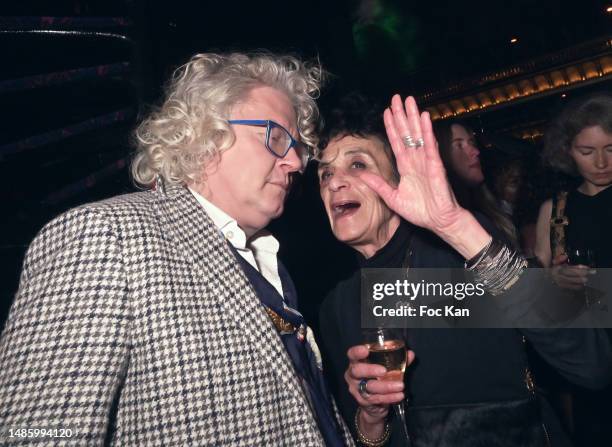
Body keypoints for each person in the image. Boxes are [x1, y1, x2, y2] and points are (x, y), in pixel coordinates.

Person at [0, 53, 354, 446]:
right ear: (206, 133)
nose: (294, 162)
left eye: (298, 149)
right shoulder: (105, 236)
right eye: (275, 137)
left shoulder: (267, 262)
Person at [317, 93, 612, 446]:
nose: (334, 182)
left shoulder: (457, 258)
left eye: (358, 164)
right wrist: (370, 417)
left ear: (400, 181)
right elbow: (360, 436)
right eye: (325, 173)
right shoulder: (337, 306)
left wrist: (456, 227)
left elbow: (591, 364)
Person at [534, 92, 612, 447]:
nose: (601, 162)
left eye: (611, 148)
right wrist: (553, 279)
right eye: (587, 151)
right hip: (590, 354)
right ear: (567, 152)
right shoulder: (555, 210)